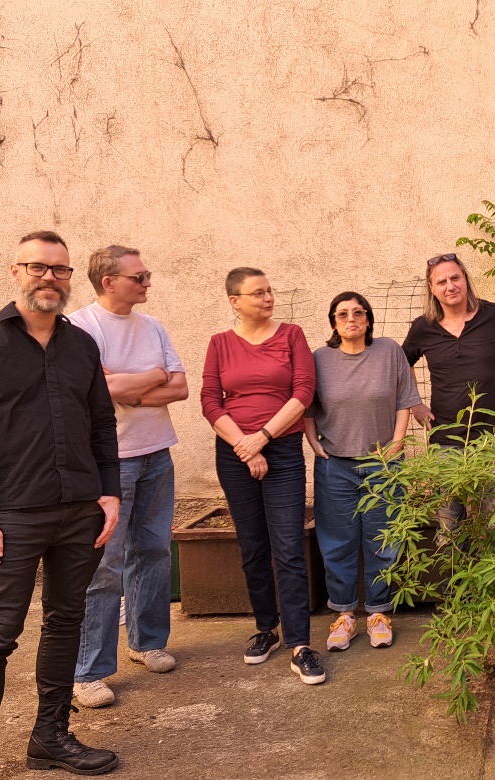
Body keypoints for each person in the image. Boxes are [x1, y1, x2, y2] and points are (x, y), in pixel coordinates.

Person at [0, 231, 121, 779]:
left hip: (80, 512)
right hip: (11, 515)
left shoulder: (82, 345)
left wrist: (110, 493)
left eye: (60, 270)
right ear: (15, 272)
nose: (49, 278)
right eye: (38, 267)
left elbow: (102, 424)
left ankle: (50, 737)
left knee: (66, 623)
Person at [68, 245, 188, 709]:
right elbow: (98, 390)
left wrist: (131, 386)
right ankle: (88, 672)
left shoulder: (152, 326)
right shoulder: (81, 327)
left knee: (154, 551)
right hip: (109, 462)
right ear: (109, 282)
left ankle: (147, 643)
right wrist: (152, 378)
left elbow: (180, 386)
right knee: (104, 565)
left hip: (158, 453)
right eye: (139, 276)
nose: (147, 282)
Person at [200, 267, 324, 685]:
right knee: (252, 546)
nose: (268, 298)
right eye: (258, 293)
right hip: (234, 452)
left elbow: (303, 392)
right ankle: (266, 629)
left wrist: (263, 438)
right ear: (235, 301)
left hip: (282, 449)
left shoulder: (291, 335)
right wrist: (244, 445)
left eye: (270, 291)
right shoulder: (220, 343)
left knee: (288, 547)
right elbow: (210, 401)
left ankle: (300, 645)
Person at [303, 292, 421, 652]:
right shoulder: (319, 359)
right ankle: (344, 615)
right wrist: (313, 442)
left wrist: (398, 443)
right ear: (333, 322)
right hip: (335, 464)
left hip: (383, 463)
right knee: (337, 541)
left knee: (383, 539)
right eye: (342, 314)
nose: (351, 319)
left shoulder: (389, 352)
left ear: (368, 319)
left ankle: (378, 613)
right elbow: (307, 405)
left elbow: (405, 398)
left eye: (358, 313)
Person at [402, 253, 495, 444]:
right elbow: (403, 362)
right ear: (432, 288)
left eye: (455, 278)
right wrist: (415, 404)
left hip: (490, 438)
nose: (450, 286)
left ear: (465, 279)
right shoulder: (423, 327)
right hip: (445, 440)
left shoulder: (493, 315)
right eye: (441, 282)